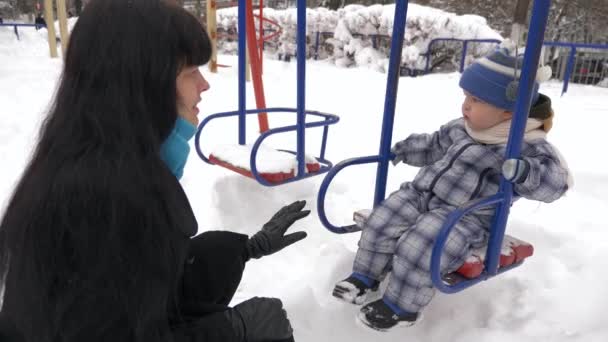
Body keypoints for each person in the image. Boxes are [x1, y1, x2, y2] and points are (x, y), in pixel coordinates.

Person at [0, 1, 309, 341]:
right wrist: (232, 332)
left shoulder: (99, 168)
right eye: (189, 71)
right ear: (142, 85)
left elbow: (143, 283)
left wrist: (245, 249)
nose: (204, 84)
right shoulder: (100, 199)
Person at [332, 45, 572, 331]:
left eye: (476, 100)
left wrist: (524, 172)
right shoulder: (462, 127)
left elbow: (555, 184)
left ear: (509, 111)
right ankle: (365, 278)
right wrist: (406, 150)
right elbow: (434, 145)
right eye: (466, 97)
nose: (466, 105)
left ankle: (401, 306)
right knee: (383, 220)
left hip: (465, 216)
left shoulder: (525, 144)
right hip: (420, 195)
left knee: (421, 244)